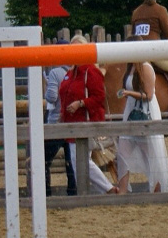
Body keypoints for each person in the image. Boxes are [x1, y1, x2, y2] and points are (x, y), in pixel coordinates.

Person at [59, 35, 117, 194]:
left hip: (86, 122)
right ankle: (97, 192)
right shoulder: (72, 72)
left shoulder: (91, 71)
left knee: (81, 161)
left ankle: (107, 189)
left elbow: (99, 97)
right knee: (78, 161)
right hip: (72, 123)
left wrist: (81, 103)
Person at [116, 60, 168, 194]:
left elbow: (149, 95)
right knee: (122, 152)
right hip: (131, 113)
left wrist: (129, 93)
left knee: (151, 154)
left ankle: (157, 187)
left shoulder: (146, 67)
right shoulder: (130, 68)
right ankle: (123, 190)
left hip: (145, 113)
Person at [44, 49, 77, 196]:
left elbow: (52, 97)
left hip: (56, 122)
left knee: (44, 160)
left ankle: (46, 192)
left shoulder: (55, 72)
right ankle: (73, 192)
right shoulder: (78, 72)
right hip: (72, 122)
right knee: (71, 161)